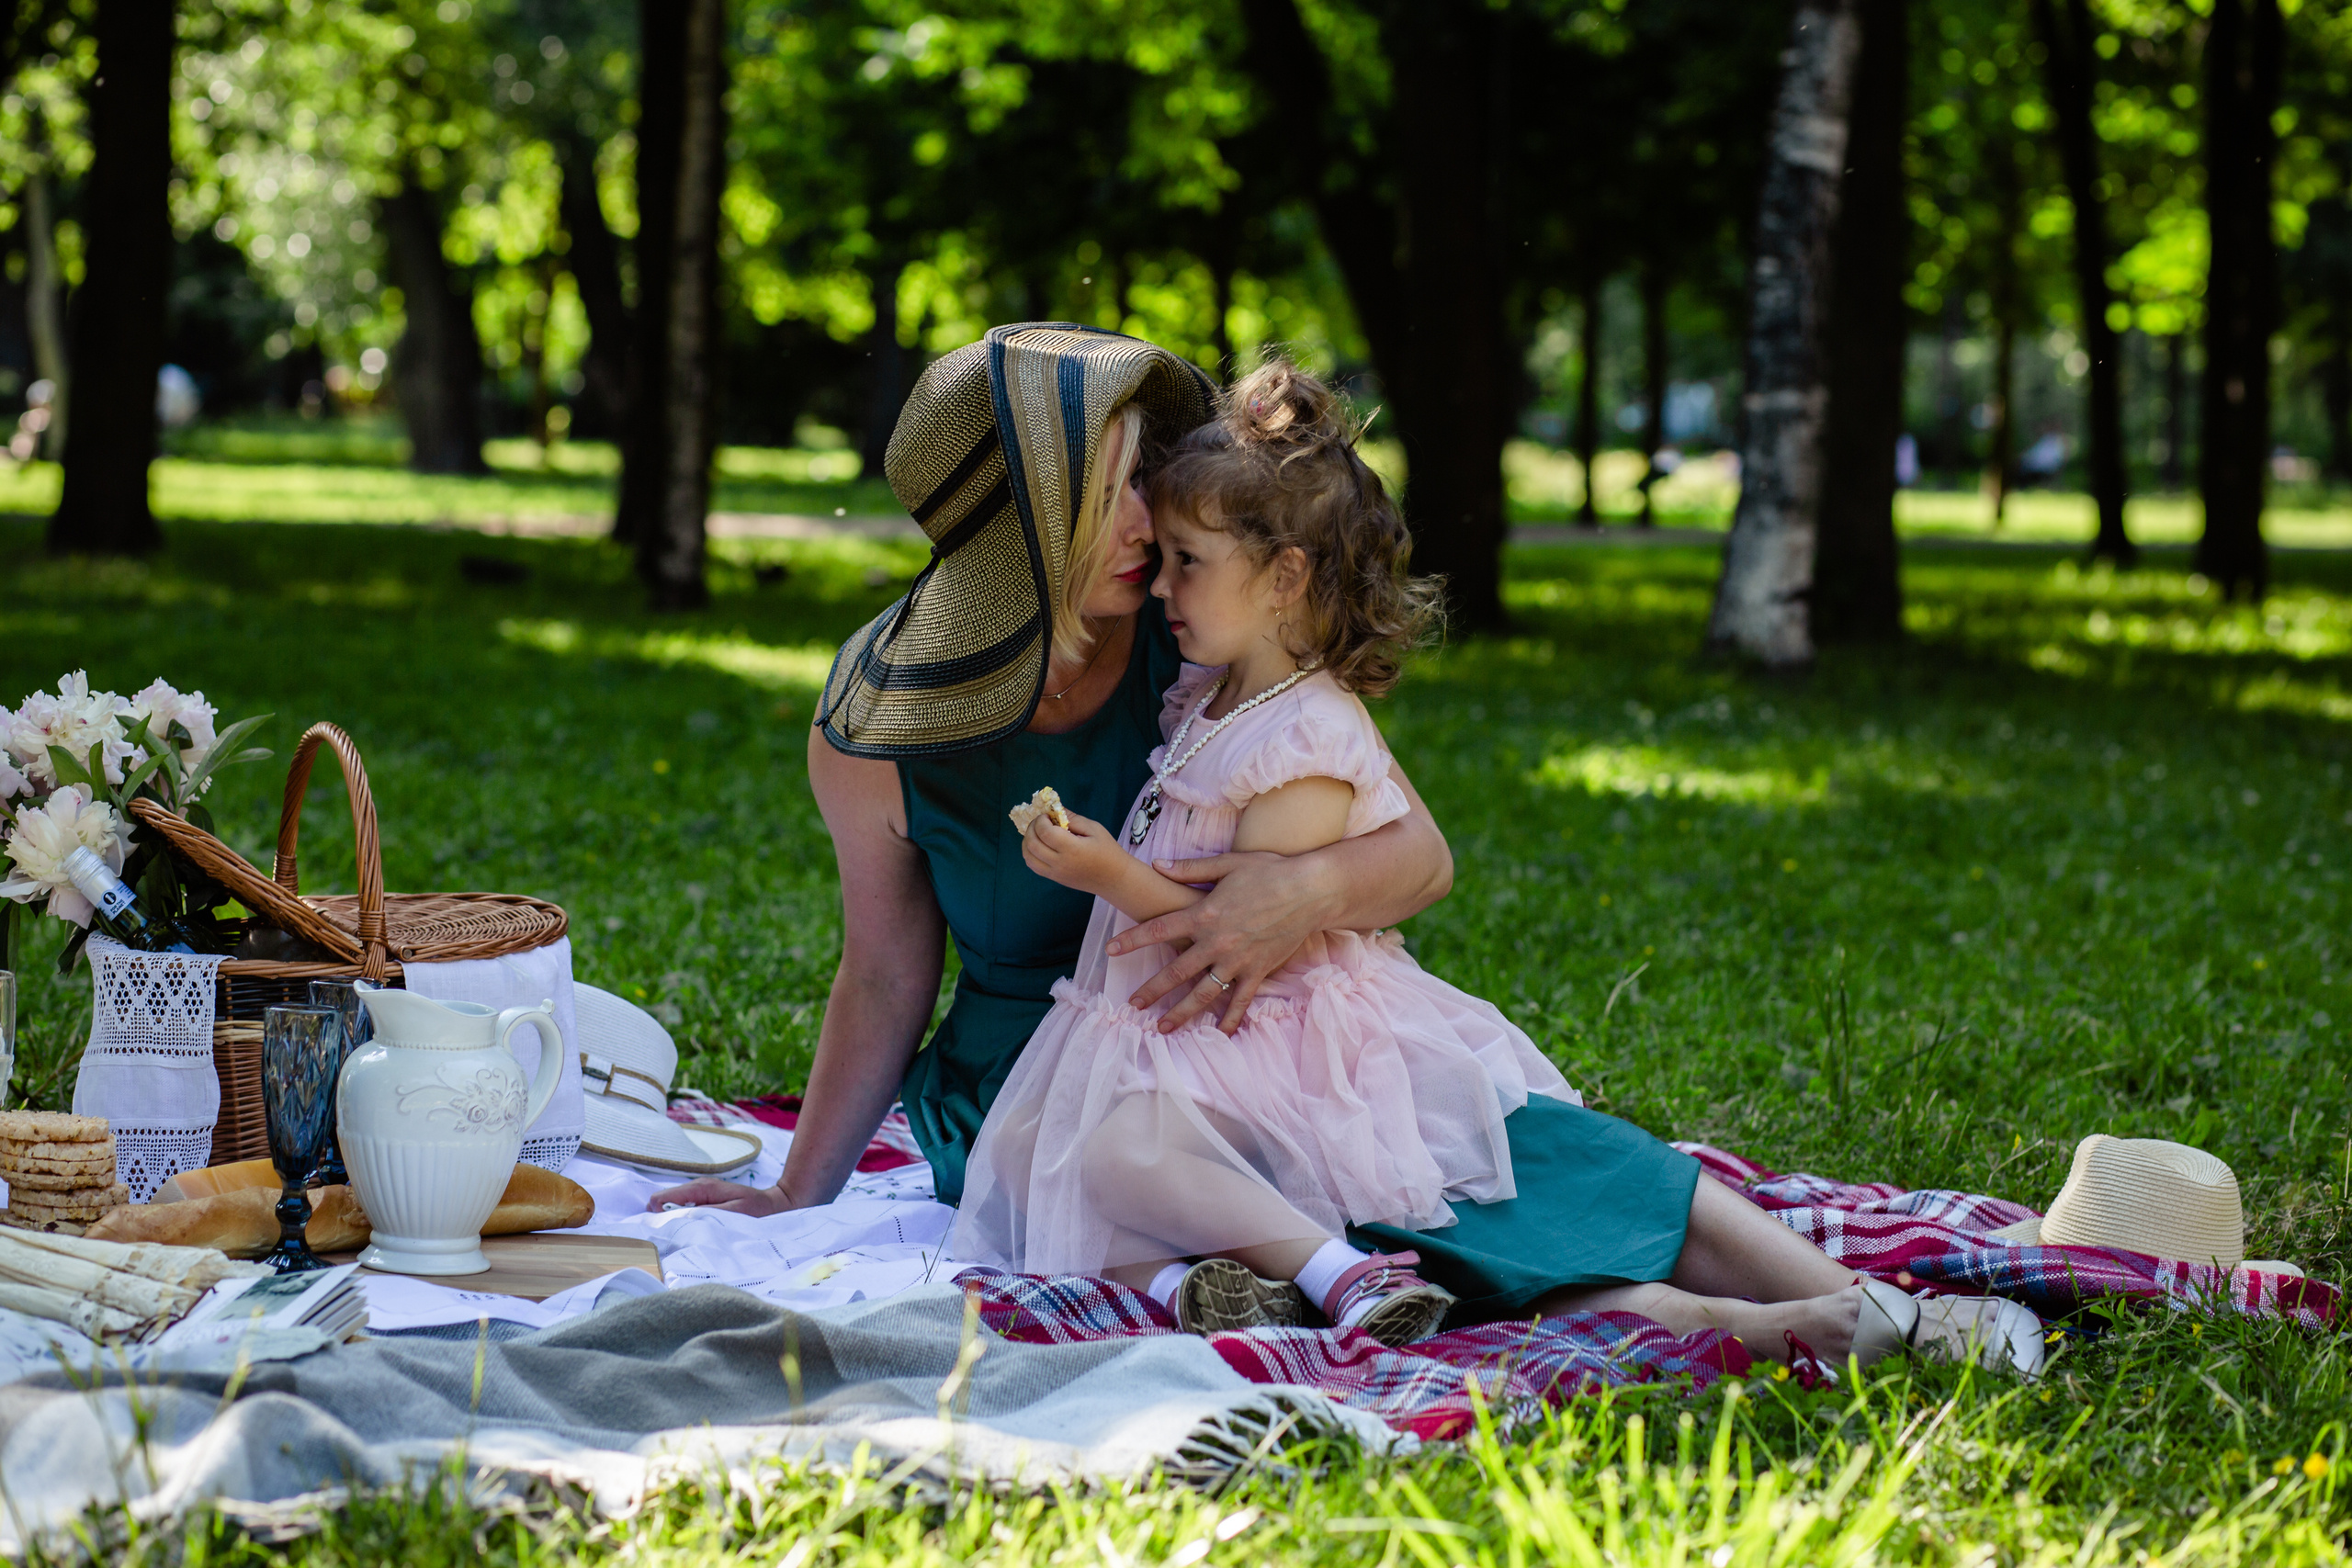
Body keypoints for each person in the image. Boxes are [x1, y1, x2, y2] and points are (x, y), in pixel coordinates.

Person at [652, 325, 2042, 1377]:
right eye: (1116, 489)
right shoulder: (887, 720)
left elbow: (1413, 849)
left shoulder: (1197, 624)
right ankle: (1801, 1329)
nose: (1154, 521)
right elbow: (889, 974)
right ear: (1022, 517)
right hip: (1064, 1080)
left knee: (1548, 1156)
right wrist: (794, 1190)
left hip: (1278, 1020)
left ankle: (1889, 1315)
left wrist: (1295, 895)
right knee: (1432, 1243)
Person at [953, 358, 1586, 1344]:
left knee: (1118, 1154)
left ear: (1284, 577)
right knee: (1028, 1148)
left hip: (1267, 1038)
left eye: (1184, 561)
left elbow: (1256, 935)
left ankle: (1348, 1280)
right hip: (1185, 1020)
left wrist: (1107, 874)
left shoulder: (1303, 739)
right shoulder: (1204, 696)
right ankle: (1191, 1289)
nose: (1159, 583)